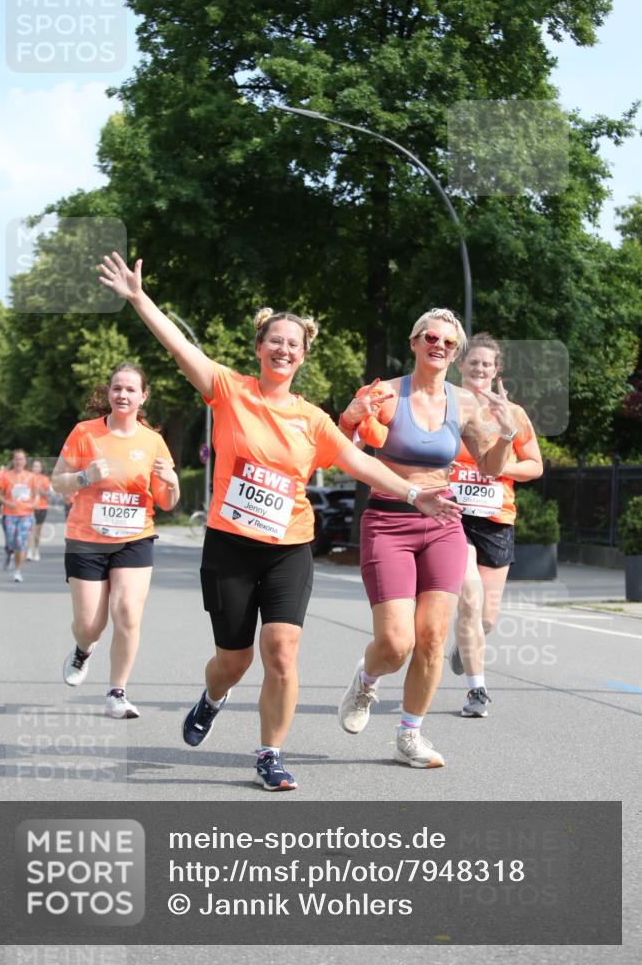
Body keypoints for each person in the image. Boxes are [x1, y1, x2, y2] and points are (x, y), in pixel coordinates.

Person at [97, 252, 462, 791]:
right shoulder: (227, 388)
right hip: (230, 546)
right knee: (234, 659)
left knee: (282, 652)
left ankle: (270, 753)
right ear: (259, 347)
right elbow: (178, 346)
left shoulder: (311, 419)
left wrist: (414, 493)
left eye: (294, 343)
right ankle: (212, 697)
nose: (283, 349)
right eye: (275, 340)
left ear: (303, 355)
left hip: (290, 546)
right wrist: (137, 298)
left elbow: (359, 462)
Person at [337, 309, 517, 768]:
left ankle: (410, 735)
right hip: (388, 522)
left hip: (443, 525)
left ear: (455, 353)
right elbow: (344, 457)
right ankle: (366, 681)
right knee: (396, 644)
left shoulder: (466, 404)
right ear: (415, 342)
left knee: (434, 638)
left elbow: (492, 469)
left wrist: (506, 434)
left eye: (448, 342)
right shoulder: (385, 395)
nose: (439, 345)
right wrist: (348, 420)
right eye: (431, 337)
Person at [51, 363, 180, 719]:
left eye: (130, 390)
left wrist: (172, 482)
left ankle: (117, 692)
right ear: (108, 393)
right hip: (86, 539)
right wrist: (83, 476)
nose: (122, 395)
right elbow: (57, 481)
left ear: (143, 396)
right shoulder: (85, 433)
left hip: (134, 537)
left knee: (127, 613)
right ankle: (82, 648)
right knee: (90, 624)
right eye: (116, 388)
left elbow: (168, 503)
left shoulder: (153, 441)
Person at [448, 333, 543, 717]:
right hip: (454, 514)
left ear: (496, 370)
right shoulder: (444, 404)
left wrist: (500, 467)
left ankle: (464, 645)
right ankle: (477, 690)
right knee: (469, 600)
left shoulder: (513, 413)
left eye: (487, 364)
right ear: (460, 366)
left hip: (496, 519)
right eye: (473, 363)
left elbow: (535, 465)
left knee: (486, 617)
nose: (480, 369)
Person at [0, 450, 36, 582]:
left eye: (21, 459)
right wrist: (8, 502)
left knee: (20, 543)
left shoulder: (31, 477)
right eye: (16, 459)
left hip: (26, 514)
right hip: (9, 515)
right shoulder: (6, 477)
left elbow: (36, 495)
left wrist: (34, 503)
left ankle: (18, 571)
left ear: (25, 461)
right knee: (11, 542)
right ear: (13, 461)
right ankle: (9, 551)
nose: (19, 461)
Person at [27, 459, 52, 561]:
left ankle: (36, 550)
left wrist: (40, 490)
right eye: (34, 466)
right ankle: (29, 551)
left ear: (41, 468)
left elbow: (49, 494)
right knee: (31, 530)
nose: (36, 468)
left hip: (42, 507)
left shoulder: (45, 479)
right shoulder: (27, 478)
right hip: (30, 507)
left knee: (37, 531)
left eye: (38, 466)